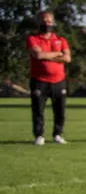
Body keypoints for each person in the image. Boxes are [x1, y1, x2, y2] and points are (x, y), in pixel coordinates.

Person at [27, 9, 71, 145]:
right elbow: (39, 56)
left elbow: (67, 58)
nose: (47, 23)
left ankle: (57, 134)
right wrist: (57, 54)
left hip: (59, 80)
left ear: (53, 23)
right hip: (39, 80)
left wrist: (48, 55)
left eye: (49, 21)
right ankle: (39, 135)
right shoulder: (32, 38)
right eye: (44, 21)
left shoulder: (60, 39)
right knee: (38, 110)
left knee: (60, 110)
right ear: (39, 22)